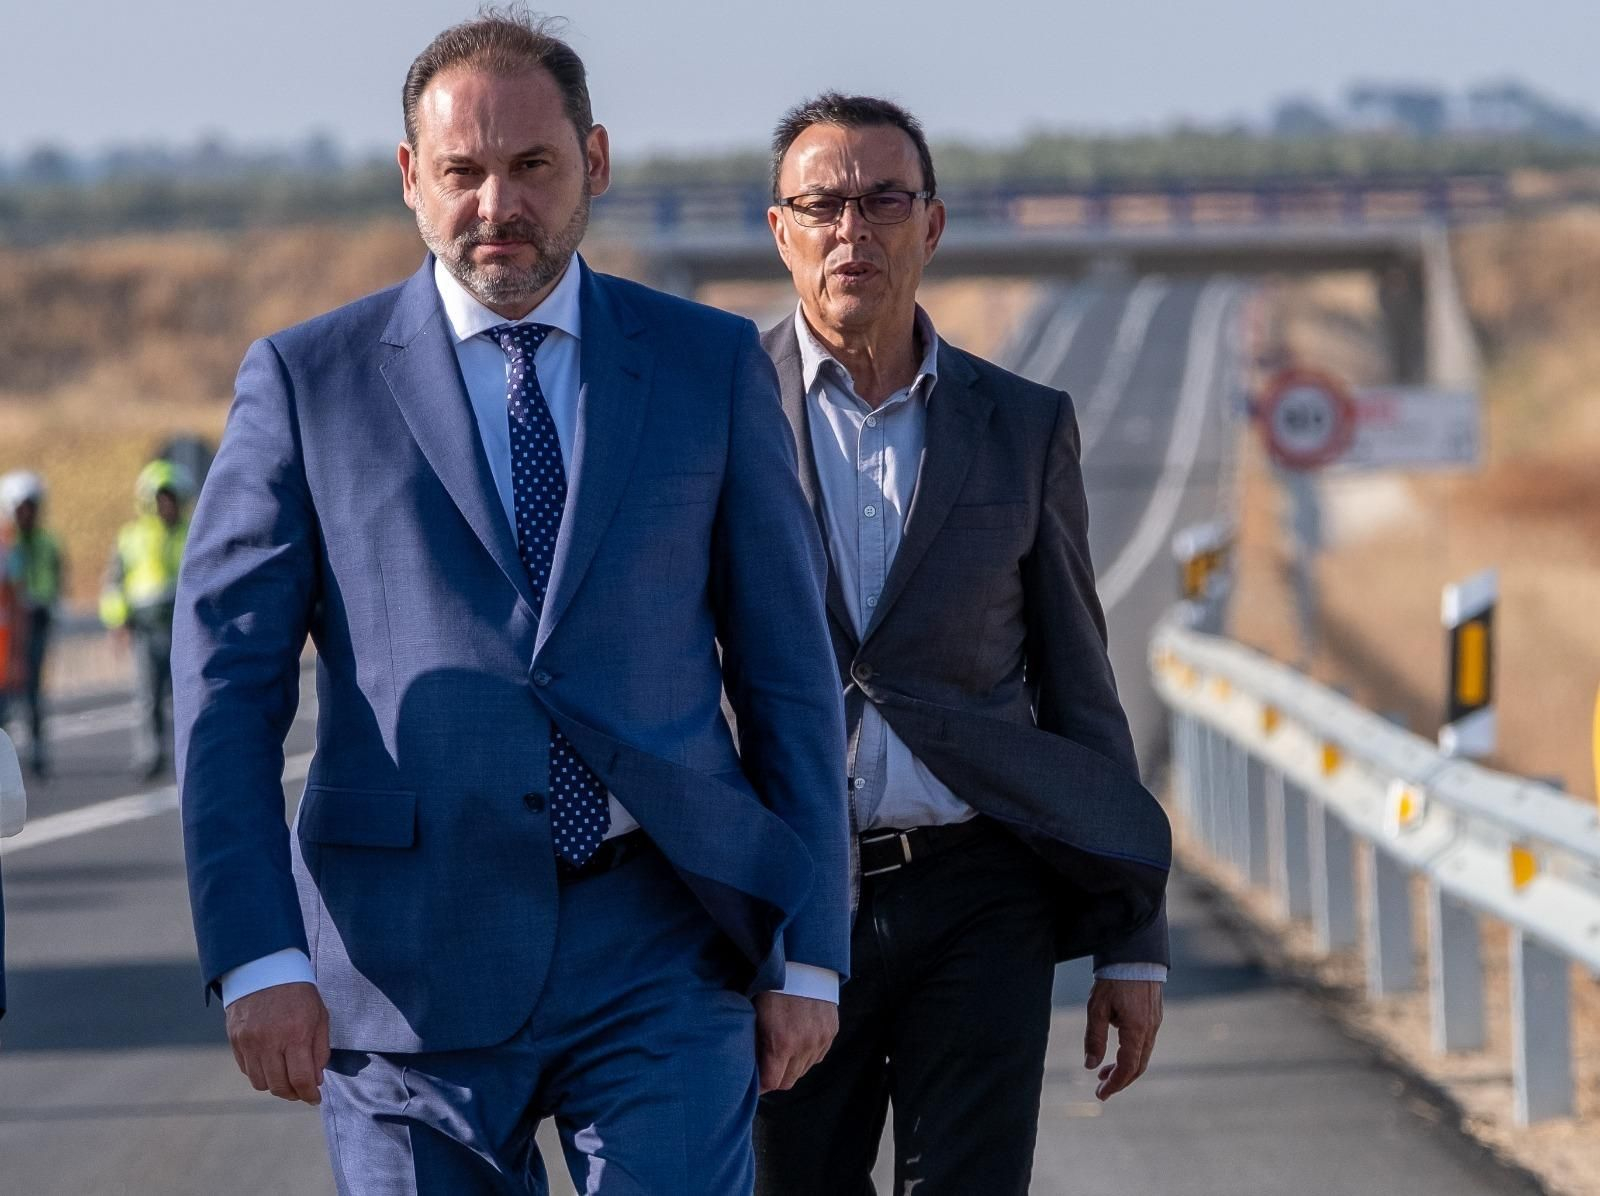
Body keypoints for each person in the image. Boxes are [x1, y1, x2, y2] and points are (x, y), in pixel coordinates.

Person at [172, 13, 848, 1195]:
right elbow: (224, 687)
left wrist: (812, 951)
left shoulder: (706, 364)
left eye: (532, 164)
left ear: (595, 158)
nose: (498, 203)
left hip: (661, 942)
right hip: (402, 964)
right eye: (462, 172)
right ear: (409, 178)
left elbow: (788, 673)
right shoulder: (306, 382)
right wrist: (258, 951)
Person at [753, 94, 1173, 1195]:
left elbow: (1081, 686)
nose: (852, 230)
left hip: (979, 890)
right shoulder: (713, 411)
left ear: (931, 226)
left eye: (884, 201)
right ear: (781, 231)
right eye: (822, 205)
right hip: (780, 895)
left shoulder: (1023, 425)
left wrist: (1133, 937)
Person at [100, 459, 191, 780]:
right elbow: (115, 582)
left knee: (187, 692)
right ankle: (150, 753)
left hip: (182, 624)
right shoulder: (131, 537)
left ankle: (188, 754)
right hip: (146, 624)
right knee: (148, 695)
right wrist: (117, 621)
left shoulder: (192, 533)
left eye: (172, 498)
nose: (167, 505)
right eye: (161, 498)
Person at [1, 472, 65, 778]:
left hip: (36, 621)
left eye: (31, 507)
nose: (26, 514)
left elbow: (55, 578)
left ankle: (37, 747)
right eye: (21, 508)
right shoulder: (7, 545)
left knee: (32, 688)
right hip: (9, 629)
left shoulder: (47, 542)